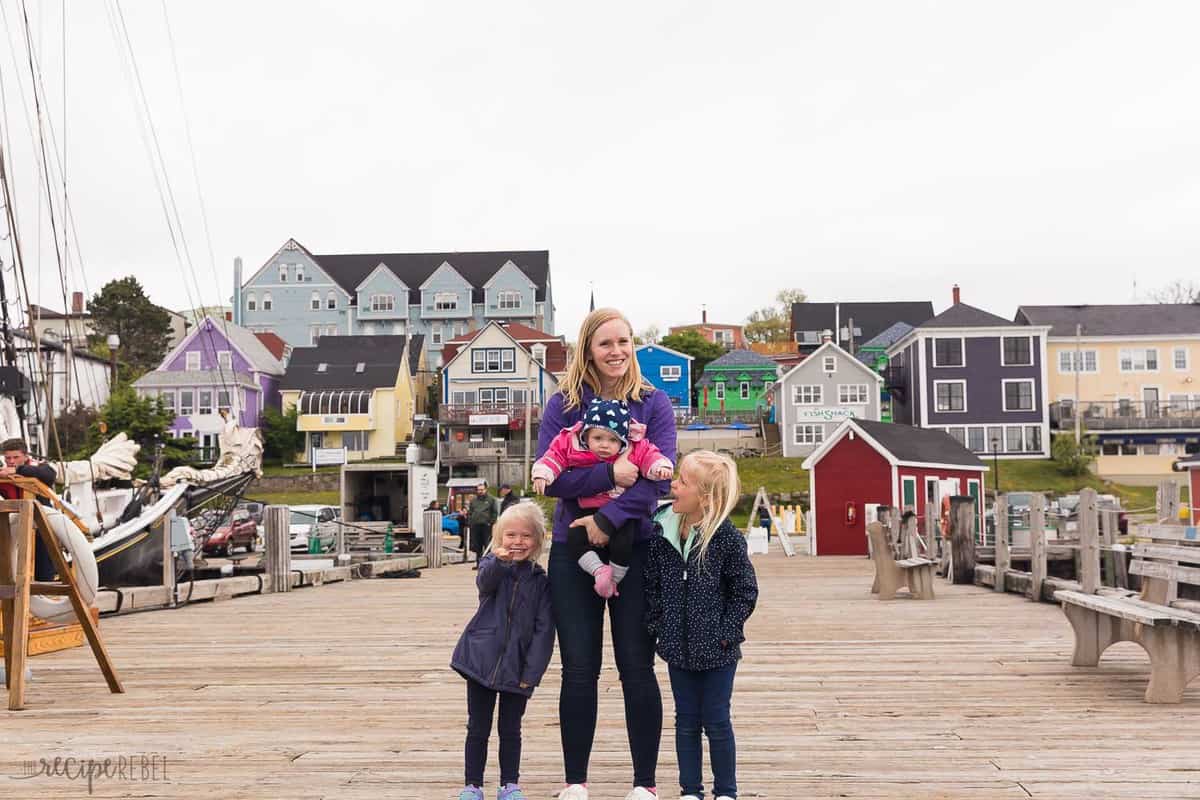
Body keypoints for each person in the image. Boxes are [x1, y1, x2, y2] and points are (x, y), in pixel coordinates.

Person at [537, 307, 677, 800]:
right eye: (605, 344)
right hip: (571, 552)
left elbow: (659, 483)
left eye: (624, 341)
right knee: (578, 667)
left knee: (637, 665)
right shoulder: (563, 406)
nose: (616, 351)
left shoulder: (653, 404)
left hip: (635, 548)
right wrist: (608, 477)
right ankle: (575, 782)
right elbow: (554, 479)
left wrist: (605, 518)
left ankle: (645, 783)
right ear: (587, 350)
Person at [644, 451, 759, 800]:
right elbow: (652, 586)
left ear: (705, 497)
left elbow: (745, 591)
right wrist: (658, 626)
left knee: (717, 722)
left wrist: (727, 633)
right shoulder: (660, 532)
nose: (672, 486)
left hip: (719, 652)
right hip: (677, 649)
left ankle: (726, 791)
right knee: (686, 722)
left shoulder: (725, 538)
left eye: (681, 482)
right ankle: (690, 790)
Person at [451, 503, 555, 800]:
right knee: (478, 727)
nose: (518, 542)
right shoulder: (490, 567)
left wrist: (532, 673)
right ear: (498, 538)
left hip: (518, 667)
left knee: (511, 729)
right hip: (481, 661)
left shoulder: (541, 582)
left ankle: (509, 783)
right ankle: (473, 784)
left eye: (526, 536)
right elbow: (485, 584)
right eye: (510, 535)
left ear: (537, 540)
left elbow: (544, 630)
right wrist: (497, 560)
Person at [533, 397, 673, 598]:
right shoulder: (572, 444)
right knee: (575, 537)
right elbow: (553, 458)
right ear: (586, 435)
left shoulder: (635, 447)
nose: (605, 446)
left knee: (624, 540)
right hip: (583, 512)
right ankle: (599, 571)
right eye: (598, 439)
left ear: (622, 440)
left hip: (623, 515)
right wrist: (543, 473)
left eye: (613, 440)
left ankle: (613, 579)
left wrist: (660, 467)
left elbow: (652, 458)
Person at [0, 438, 60, 581]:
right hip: (16, 524)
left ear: (26, 456)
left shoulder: (39, 467)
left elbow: (50, 475)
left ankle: (44, 594)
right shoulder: (3, 472)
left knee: (43, 567)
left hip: (41, 523)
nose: (11, 461)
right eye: (8, 458)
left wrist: (17, 470)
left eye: (16, 457)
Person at [467, 483, 497, 568]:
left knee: (487, 545)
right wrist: (470, 521)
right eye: (478, 490)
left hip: (486, 526)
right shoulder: (474, 500)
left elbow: (494, 512)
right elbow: (470, 512)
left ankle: (488, 565)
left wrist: (491, 522)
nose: (480, 491)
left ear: (485, 489)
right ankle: (479, 564)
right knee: (477, 546)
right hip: (475, 526)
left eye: (482, 489)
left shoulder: (491, 499)